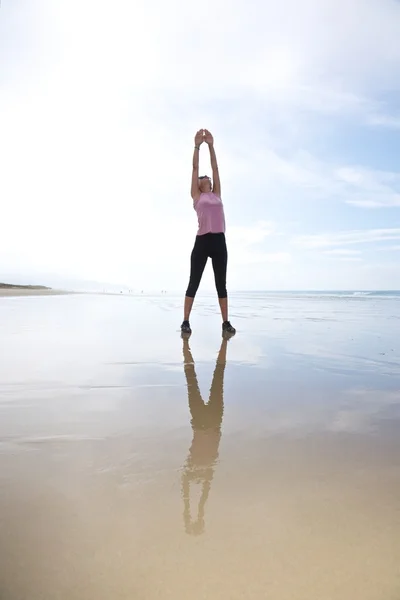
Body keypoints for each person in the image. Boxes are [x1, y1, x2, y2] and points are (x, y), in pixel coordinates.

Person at [181, 129, 236, 337]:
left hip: (219, 241)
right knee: (193, 281)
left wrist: (212, 146)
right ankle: (185, 322)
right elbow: (195, 167)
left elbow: (216, 168)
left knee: (221, 284)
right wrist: (197, 146)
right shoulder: (197, 196)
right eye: (207, 181)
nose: (210, 182)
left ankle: (225, 323)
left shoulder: (217, 194)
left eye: (211, 181)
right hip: (202, 241)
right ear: (199, 185)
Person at [181, 336, 227, 535]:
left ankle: (186, 346)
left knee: (214, 377)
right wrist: (192, 513)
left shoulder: (204, 470)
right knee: (197, 378)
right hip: (204, 424)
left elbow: (198, 491)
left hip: (207, 424)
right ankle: (186, 347)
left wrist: (195, 513)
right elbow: (189, 490)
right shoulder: (196, 470)